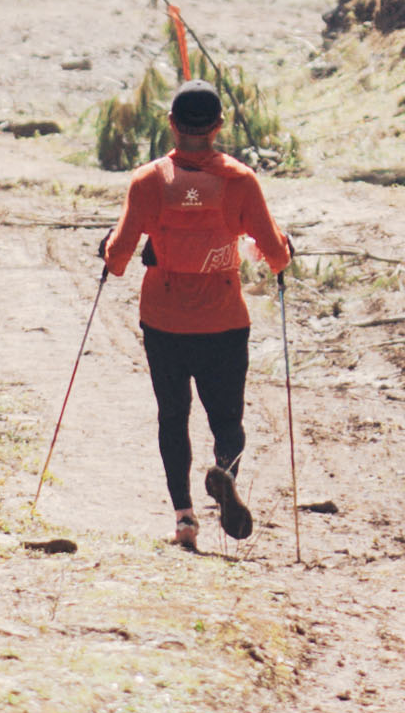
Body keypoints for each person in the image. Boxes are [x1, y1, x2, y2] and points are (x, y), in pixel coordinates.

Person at [100, 82, 291, 549]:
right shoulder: (241, 181)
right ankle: (224, 471)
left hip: (163, 322)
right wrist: (285, 248)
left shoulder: (148, 180)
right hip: (224, 322)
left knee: (173, 416)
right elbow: (276, 256)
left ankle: (185, 520)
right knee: (227, 418)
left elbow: (119, 259)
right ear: (219, 127)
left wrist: (107, 247)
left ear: (171, 124)